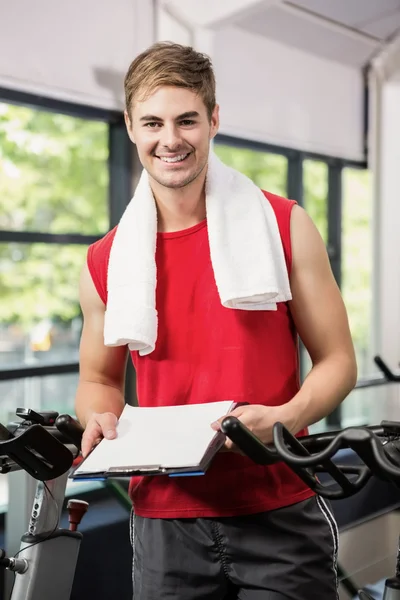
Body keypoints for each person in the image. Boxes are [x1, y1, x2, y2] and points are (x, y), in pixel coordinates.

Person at [75, 42, 357, 600]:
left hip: (277, 504)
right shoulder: (103, 260)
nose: (170, 139)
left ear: (214, 120)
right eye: (152, 122)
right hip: (163, 520)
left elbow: (338, 360)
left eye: (187, 120)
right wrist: (99, 422)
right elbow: (99, 381)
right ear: (130, 126)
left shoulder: (284, 226)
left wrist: (285, 417)